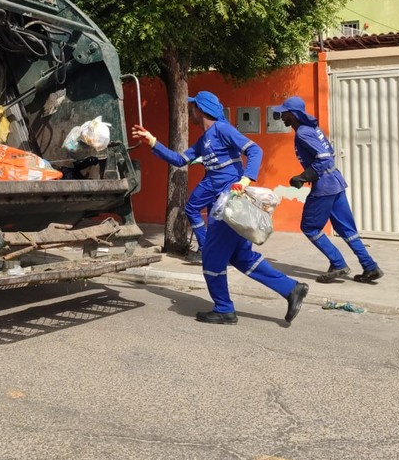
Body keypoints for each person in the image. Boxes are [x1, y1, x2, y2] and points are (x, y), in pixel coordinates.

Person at [132, 91, 309, 325]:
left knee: (212, 260)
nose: (190, 110)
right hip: (222, 208)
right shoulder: (204, 140)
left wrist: (246, 179)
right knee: (242, 257)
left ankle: (225, 309)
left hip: (230, 207)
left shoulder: (223, 130)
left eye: (193, 107)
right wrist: (152, 141)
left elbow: (255, 150)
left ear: (200, 110)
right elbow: (179, 160)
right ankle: (291, 288)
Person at [272, 96, 384, 284]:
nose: (281, 116)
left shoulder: (303, 133)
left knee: (309, 227)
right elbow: (329, 152)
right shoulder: (312, 129)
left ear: (293, 114)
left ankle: (338, 263)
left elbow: (324, 159)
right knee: (347, 229)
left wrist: (304, 176)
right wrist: (308, 174)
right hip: (335, 182)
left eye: (284, 113)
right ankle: (370, 267)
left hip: (324, 186)